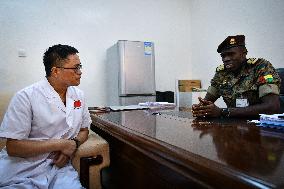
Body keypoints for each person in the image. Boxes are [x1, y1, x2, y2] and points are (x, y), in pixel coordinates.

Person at [0, 44, 91, 188]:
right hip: (22, 170)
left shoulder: (78, 95)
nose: (80, 72)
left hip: (59, 168)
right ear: (55, 71)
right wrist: (60, 144)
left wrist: (73, 145)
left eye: (80, 66)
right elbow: (13, 147)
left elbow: (84, 130)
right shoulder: (26, 97)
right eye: (76, 68)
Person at [192, 35, 281, 118]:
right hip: (233, 125)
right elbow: (207, 100)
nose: (226, 59)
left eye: (231, 54)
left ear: (243, 54)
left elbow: (272, 107)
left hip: (259, 125)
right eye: (223, 56)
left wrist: (223, 112)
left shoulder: (261, 67)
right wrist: (201, 109)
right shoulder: (222, 73)